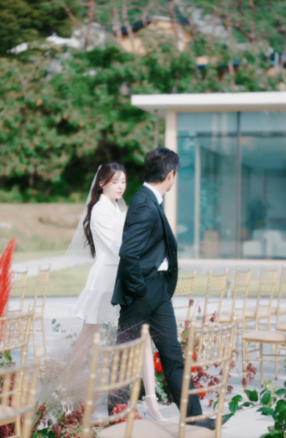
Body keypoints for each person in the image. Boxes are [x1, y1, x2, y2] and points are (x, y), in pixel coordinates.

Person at [109, 148, 216, 430]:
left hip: (158, 291)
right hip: (143, 292)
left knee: (173, 356)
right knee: (125, 356)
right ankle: (115, 418)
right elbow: (128, 254)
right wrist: (140, 290)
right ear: (170, 174)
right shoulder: (144, 203)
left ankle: (194, 418)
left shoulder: (150, 200)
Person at [66, 162, 169, 421]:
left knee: (143, 336)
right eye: (115, 182)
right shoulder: (100, 210)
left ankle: (152, 401)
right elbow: (119, 248)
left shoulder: (117, 208)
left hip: (123, 278)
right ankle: (64, 392)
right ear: (102, 183)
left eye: (123, 181)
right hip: (105, 282)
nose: (121, 186)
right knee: (87, 339)